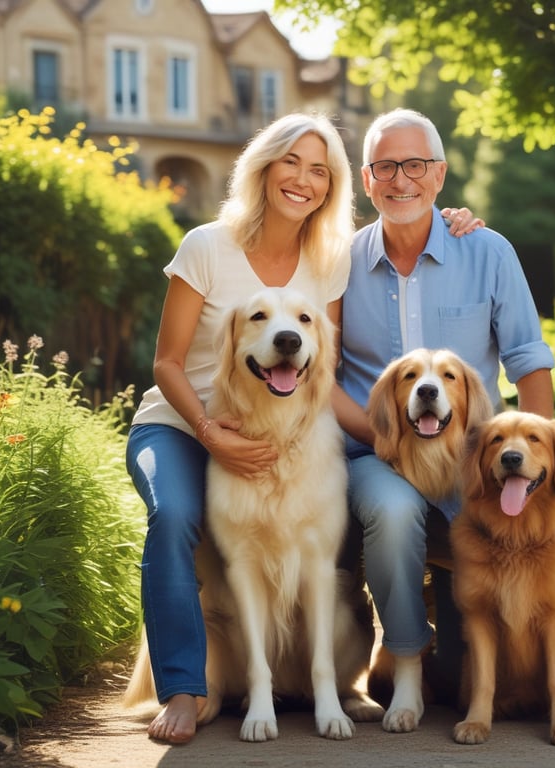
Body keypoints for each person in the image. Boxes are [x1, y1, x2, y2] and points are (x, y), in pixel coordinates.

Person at [125, 110, 477, 745]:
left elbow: (324, 377)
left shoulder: (327, 261)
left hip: (280, 428)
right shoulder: (206, 246)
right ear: (263, 168)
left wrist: (393, 445)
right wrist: (208, 431)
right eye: (290, 162)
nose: (303, 179)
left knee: (318, 543)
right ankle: (180, 688)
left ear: (333, 185)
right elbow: (167, 364)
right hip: (180, 422)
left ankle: (323, 679)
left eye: (320, 170)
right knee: (174, 516)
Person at [333, 108, 555, 733]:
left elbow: (529, 361)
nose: (400, 180)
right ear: (366, 179)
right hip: (377, 456)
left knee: (469, 682)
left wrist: (537, 467)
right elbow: (321, 374)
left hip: (470, 464)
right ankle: (404, 662)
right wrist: (383, 440)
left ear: (439, 174)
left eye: (415, 165)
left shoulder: (486, 251)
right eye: (384, 167)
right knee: (392, 509)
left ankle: (513, 662)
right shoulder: (338, 262)